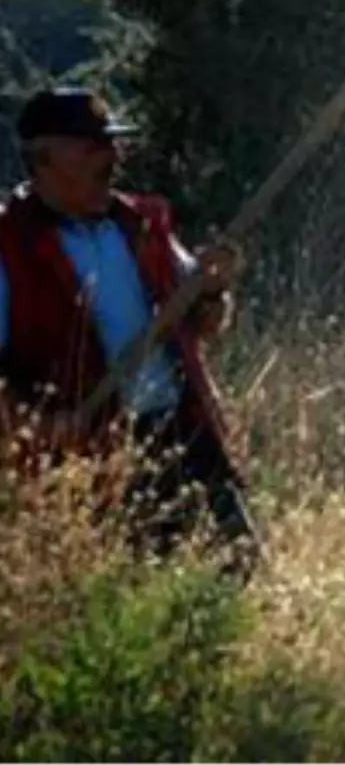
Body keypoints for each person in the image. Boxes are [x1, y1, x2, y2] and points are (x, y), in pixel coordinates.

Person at [0, 87, 261, 581]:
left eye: (113, 143)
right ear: (44, 157)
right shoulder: (8, 246)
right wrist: (43, 426)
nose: (113, 155)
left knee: (242, 577)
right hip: (90, 464)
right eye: (93, 145)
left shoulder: (141, 223)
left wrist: (212, 288)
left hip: (183, 433)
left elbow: (205, 326)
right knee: (130, 600)